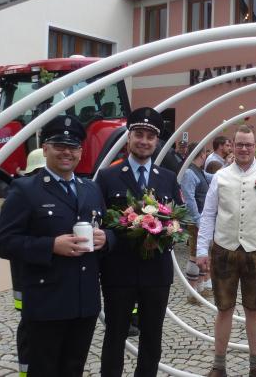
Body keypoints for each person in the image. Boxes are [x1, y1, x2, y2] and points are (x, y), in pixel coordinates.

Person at [0, 115, 110, 377]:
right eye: (59, 145)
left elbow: (107, 228)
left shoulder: (90, 189)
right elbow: (3, 243)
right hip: (47, 302)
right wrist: (50, 246)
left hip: (84, 301)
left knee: (74, 368)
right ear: (44, 149)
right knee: (44, 370)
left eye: (73, 147)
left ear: (81, 152)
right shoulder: (25, 190)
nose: (67, 152)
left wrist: (106, 239)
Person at [97, 107, 184, 377]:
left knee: (152, 337)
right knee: (115, 336)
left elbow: (179, 221)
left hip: (155, 272)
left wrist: (166, 235)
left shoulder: (168, 179)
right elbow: (100, 222)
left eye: (150, 136)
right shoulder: (108, 176)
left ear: (156, 141)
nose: (144, 141)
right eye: (139, 134)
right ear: (128, 137)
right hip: (118, 271)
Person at [196, 124, 256, 377]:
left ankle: (255, 365)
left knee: (253, 309)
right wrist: (202, 249)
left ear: (255, 146)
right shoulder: (220, 177)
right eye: (239, 144)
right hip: (223, 250)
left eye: (248, 144)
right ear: (232, 146)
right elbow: (208, 215)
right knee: (224, 308)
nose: (244, 148)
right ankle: (218, 365)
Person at [11, 147, 47, 377]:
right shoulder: (22, 196)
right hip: (28, 281)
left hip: (43, 284)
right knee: (30, 330)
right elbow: (8, 242)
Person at [181, 141, 211, 302]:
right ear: (202, 154)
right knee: (194, 254)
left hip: (200, 220)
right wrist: (198, 220)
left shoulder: (199, 171)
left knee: (201, 254)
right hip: (195, 221)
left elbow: (212, 177)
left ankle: (199, 289)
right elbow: (189, 200)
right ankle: (191, 292)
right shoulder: (189, 173)